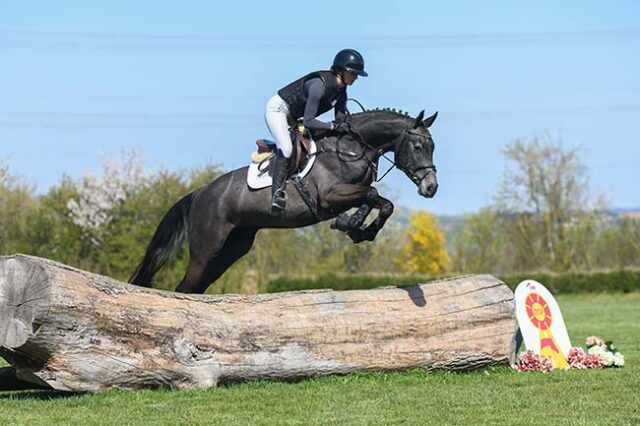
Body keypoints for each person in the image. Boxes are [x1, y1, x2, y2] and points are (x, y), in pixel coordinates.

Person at [264, 48, 368, 215]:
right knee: (287, 148)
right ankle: (276, 194)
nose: (356, 77)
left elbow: (340, 119)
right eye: (353, 73)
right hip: (279, 110)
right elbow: (309, 121)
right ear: (341, 71)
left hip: (295, 116)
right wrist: (333, 127)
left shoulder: (341, 91)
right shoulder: (319, 85)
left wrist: (352, 127)